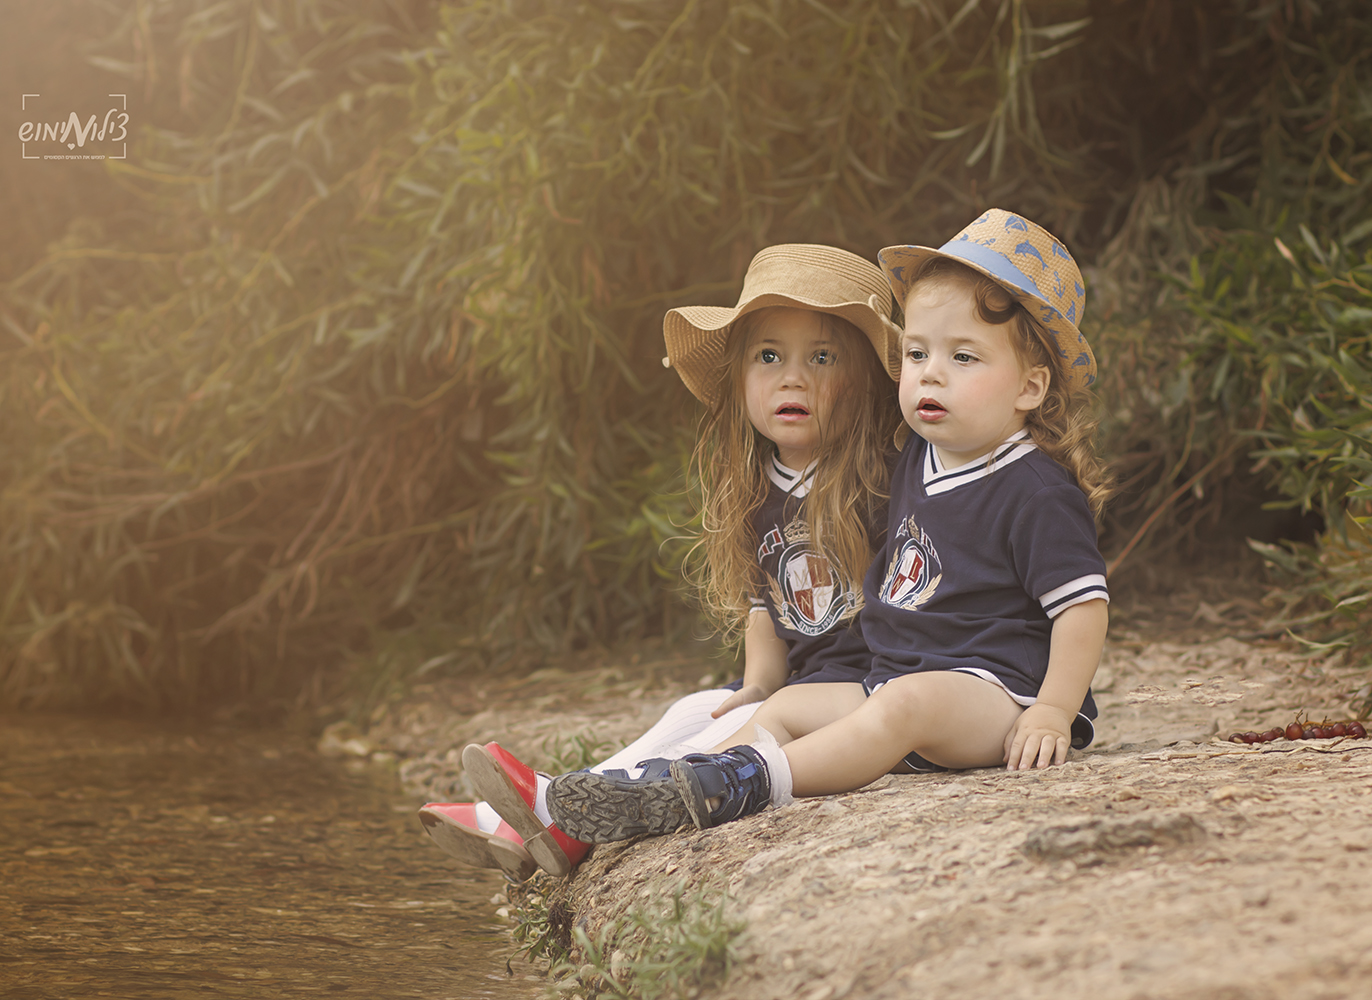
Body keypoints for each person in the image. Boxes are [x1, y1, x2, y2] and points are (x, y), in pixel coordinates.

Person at [545, 208, 1114, 842]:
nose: (930, 372)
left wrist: (1052, 710)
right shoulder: (918, 457)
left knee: (904, 704)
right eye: (917, 353)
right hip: (896, 676)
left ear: (1030, 387)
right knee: (788, 705)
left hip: (998, 693)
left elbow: (1082, 609)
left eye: (963, 356)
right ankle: (677, 784)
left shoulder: (1035, 489)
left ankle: (750, 782)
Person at [419, 244, 904, 878]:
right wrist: (759, 682)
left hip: (868, 692)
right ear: (739, 379)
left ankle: (548, 814)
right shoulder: (757, 488)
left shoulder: (883, 482)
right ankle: (540, 819)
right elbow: (764, 606)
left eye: (822, 357)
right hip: (801, 685)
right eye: (769, 357)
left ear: (870, 381)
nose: (793, 378)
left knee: (744, 726)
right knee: (697, 711)